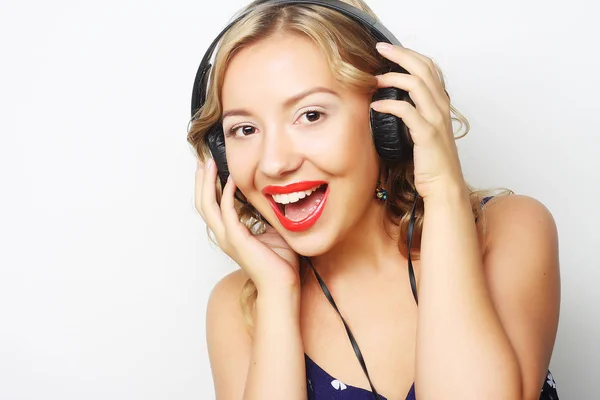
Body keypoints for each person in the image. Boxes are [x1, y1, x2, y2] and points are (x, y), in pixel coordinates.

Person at [187, 0, 561, 399]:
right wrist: (278, 294)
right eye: (245, 129)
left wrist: (443, 189)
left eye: (310, 115)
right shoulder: (239, 308)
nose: (275, 163)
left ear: (389, 121)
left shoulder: (508, 231)